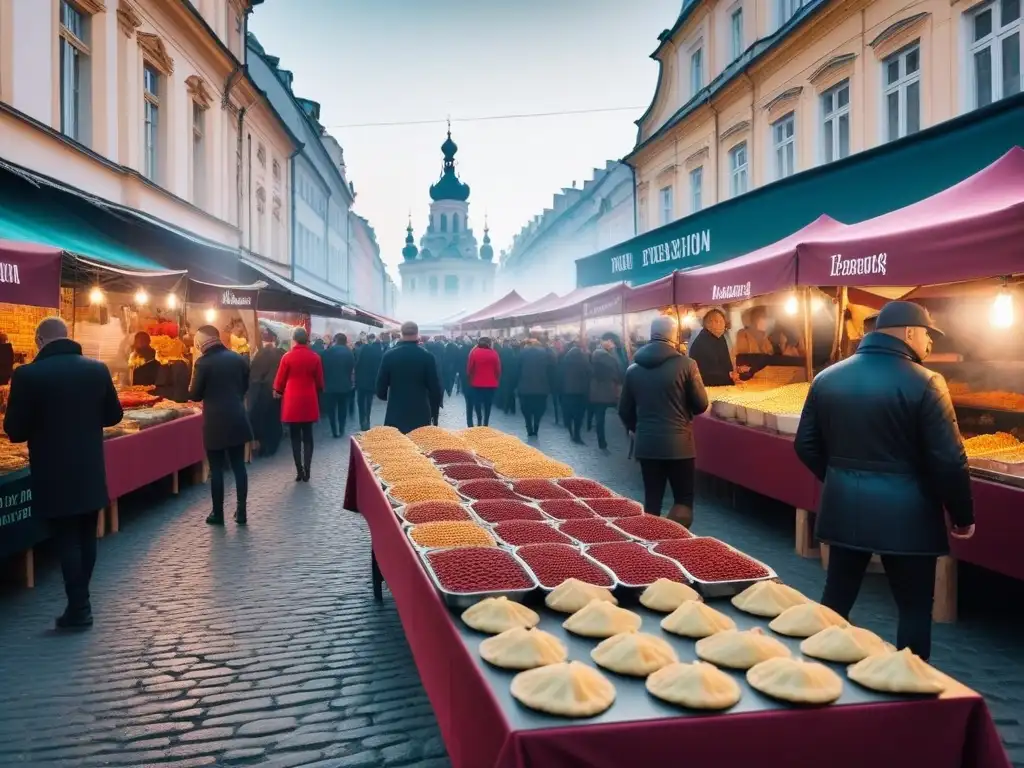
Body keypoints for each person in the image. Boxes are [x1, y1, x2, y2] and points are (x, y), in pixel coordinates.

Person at [794, 301, 975, 660]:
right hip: (908, 514)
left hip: (844, 506)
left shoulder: (827, 377)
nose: (929, 344)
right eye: (927, 335)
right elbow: (949, 460)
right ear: (910, 332)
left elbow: (805, 444)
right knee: (912, 607)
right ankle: (910, 689)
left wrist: (840, 477)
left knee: (836, 599)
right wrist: (962, 514)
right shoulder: (927, 382)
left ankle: (816, 674)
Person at [4, 318, 122, 629]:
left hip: (53, 469)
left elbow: (14, 431)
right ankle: (80, 602)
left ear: (39, 340)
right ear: (67, 337)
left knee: (67, 537)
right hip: (90, 467)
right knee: (86, 533)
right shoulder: (97, 369)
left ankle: (80, 608)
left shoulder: (27, 375)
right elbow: (115, 415)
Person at [618, 315, 708, 526]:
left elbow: (624, 410)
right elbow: (701, 404)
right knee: (683, 500)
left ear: (652, 334)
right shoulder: (688, 365)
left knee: (652, 500)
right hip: (680, 445)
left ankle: (651, 543)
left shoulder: (633, 369)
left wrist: (638, 428)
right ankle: (676, 544)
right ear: (674, 335)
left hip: (647, 444)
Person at [189, 325, 252, 526]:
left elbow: (195, 394)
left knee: (216, 469)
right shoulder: (238, 359)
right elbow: (244, 387)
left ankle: (218, 513)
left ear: (203, 342)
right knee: (238, 466)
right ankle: (241, 511)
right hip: (237, 417)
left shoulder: (203, 363)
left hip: (215, 422)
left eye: (197, 342)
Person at [274, 327, 324, 482]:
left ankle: (299, 471)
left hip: (292, 401)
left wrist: (277, 390)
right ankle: (308, 470)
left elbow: (280, 380)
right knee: (308, 436)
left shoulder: (287, 357)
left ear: (294, 340)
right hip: (309, 399)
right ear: (306, 339)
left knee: (295, 437)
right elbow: (319, 381)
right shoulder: (315, 357)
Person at [376, 321, 443, 434]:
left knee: (398, 447)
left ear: (401, 334)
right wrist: (434, 410)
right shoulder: (427, 356)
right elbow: (435, 388)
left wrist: (384, 396)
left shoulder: (389, 356)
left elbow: (380, 387)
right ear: (417, 334)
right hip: (420, 410)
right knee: (419, 447)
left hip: (396, 411)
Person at [249, 330, 285, 456]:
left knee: (262, 420)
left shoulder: (260, 354)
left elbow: (254, 375)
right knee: (275, 419)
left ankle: (264, 446)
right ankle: (273, 446)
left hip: (263, 392)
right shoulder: (282, 354)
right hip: (278, 391)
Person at [687, 308, 738, 386]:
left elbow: (725, 362)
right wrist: (729, 375)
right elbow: (705, 371)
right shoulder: (702, 342)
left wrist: (734, 373)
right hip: (707, 387)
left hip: (724, 385)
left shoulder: (720, 337)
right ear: (707, 324)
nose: (721, 325)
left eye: (722, 321)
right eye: (717, 321)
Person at [516, 339, 555, 437]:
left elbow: (517, 370)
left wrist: (517, 385)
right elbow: (551, 371)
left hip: (525, 388)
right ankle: (536, 427)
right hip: (542, 388)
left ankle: (529, 427)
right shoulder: (545, 354)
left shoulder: (522, 353)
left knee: (526, 409)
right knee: (539, 408)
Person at [589, 333, 622, 451]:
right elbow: (618, 367)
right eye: (611, 342)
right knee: (601, 417)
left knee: (600, 416)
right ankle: (602, 441)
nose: (612, 345)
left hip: (598, 391)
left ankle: (601, 441)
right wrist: (614, 351)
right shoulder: (603, 355)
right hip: (603, 391)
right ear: (606, 341)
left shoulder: (597, 353)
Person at [322, 333, 355, 438]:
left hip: (329, 386)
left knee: (331, 410)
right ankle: (341, 429)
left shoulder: (326, 352)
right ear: (345, 341)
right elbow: (351, 369)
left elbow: (323, 369)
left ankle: (334, 430)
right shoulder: (349, 353)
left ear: (335, 340)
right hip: (345, 386)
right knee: (342, 409)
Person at [558, 337, 590, 444]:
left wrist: (560, 391)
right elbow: (589, 373)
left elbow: (560, 376)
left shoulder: (565, 360)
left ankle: (570, 430)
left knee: (569, 412)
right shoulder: (584, 360)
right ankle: (577, 434)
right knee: (579, 415)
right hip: (580, 393)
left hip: (567, 392)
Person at [466, 336, 501, 427]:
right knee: (488, 404)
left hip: (477, 383)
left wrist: (470, 377)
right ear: (489, 344)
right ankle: (486, 422)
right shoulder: (494, 353)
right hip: (491, 384)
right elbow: (498, 370)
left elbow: (470, 369)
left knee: (477, 403)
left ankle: (479, 419)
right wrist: (495, 378)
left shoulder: (474, 353)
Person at [354, 333, 384, 430]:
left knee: (360, 401)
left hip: (360, 380)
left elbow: (356, 364)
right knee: (368, 401)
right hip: (371, 380)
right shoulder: (377, 352)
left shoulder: (360, 350)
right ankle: (367, 418)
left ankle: (362, 420)